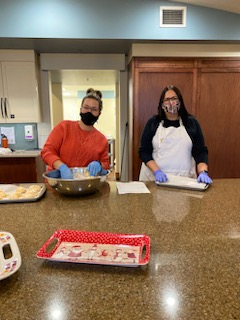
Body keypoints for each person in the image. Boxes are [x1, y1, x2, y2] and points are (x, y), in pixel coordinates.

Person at [138, 85, 213, 184]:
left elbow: (200, 151)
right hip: (155, 179)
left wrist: (203, 172)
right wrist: (157, 171)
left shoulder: (191, 123)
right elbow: (144, 152)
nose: (171, 103)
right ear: (161, 104)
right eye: (167, 100)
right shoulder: (153, 123)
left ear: (180, 101)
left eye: (174, 99)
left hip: (184, 181)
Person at [41, 88, 110, 179]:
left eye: (94, 109)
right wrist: (61, 166)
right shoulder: (64, 127)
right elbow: (47, 151)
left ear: (99, 113)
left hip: (86, 185)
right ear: (81, 109)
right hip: (58, 183)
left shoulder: (101, 140)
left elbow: (106, 164)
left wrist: (99, 164)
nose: (89, 111)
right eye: (86, 107)